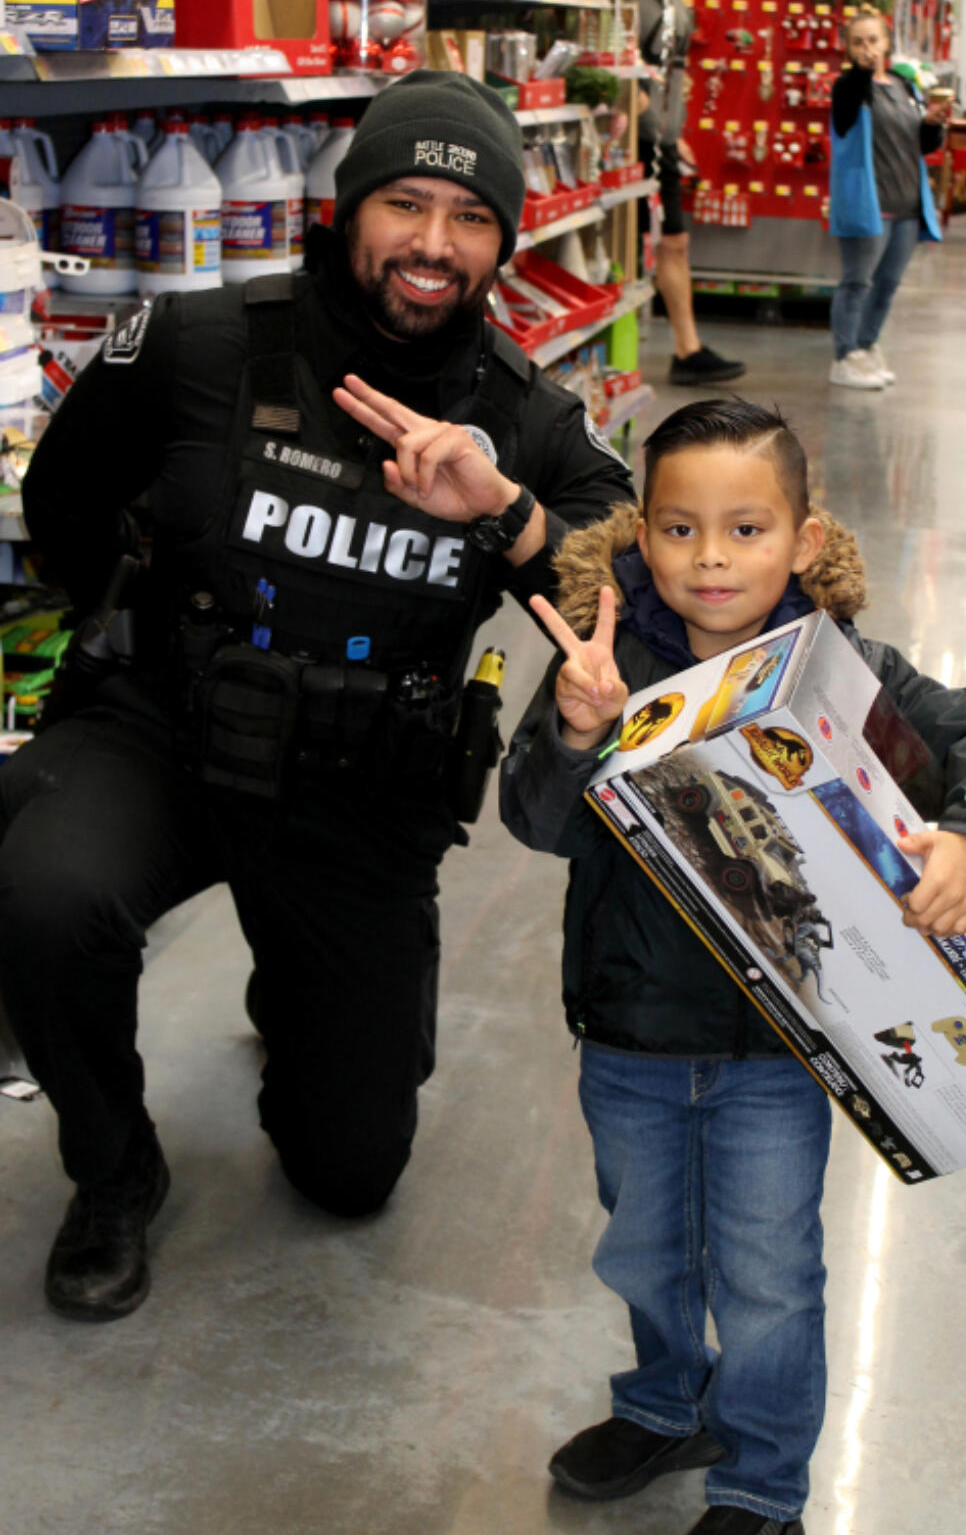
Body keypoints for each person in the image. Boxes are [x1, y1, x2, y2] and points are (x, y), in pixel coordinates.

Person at [0, 71, 635, 1323]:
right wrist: (143, 633)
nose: (432, 245)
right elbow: (67, 501)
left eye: (469, 217)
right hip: (164, 731)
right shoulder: (199, 341)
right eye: (405, 202)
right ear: (347, 210)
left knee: (348, 1171)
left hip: (362, 776)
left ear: (504, 241)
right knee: (40, 885)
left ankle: (314, 990)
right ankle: (114, 1170)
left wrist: (503, 512)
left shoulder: (523, 413)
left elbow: (631, 578)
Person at [500, 398, 966, 1535]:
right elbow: (538, 823)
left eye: (746, 529)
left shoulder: (845, 665)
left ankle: (760, 1485)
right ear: (641, 534)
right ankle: (663, 1405)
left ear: (802, 540)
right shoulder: (601, 662)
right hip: (629, 1035)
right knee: (642, 1249)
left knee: (767, 1276)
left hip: (779, 1052)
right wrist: (576, 731)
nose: (710, 558)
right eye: (681, 528)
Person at [621, 0, 745, 387]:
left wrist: (675, 128)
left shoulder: (675, 2)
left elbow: (674, 74)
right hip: (628, 138)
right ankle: (621, 357)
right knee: (630, 245)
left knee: (675, 240)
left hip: (663, 139)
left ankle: (687, 349)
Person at [827, 11, 949, 391]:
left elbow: (920, 144)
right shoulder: (848, 87)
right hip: (870, 204)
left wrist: (931, 123)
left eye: (873, 40)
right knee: (857, 282)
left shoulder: (902, 85)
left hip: (908, 203)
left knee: (887, 284)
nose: (867, 49)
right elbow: (848, 106)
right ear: (847, 49)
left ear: (887, 43)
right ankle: (844, 356)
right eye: (858, 42)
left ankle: (866, 346)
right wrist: (863, 71)